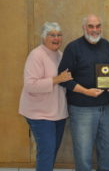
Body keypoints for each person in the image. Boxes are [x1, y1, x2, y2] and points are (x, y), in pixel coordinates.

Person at [58, 14, 109, 171]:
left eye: (98, 26)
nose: (95, 30)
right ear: (84, 28)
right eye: (91, 26)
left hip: (104, 108)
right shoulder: (73, 48)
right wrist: (86, 92)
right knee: (83, 156)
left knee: (107, 150)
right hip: (81, 109)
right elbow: (63, 79)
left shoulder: (106, 45)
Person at [19, 22, 73, 171]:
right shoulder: (36, 55)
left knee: (51, 152)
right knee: (47, 152)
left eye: (59, 35)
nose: (56, 38)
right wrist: (57, 79)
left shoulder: (61, 55)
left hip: (58, 114)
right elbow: (30, 85)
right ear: (44, 37)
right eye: (52, 35)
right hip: (39, 114)